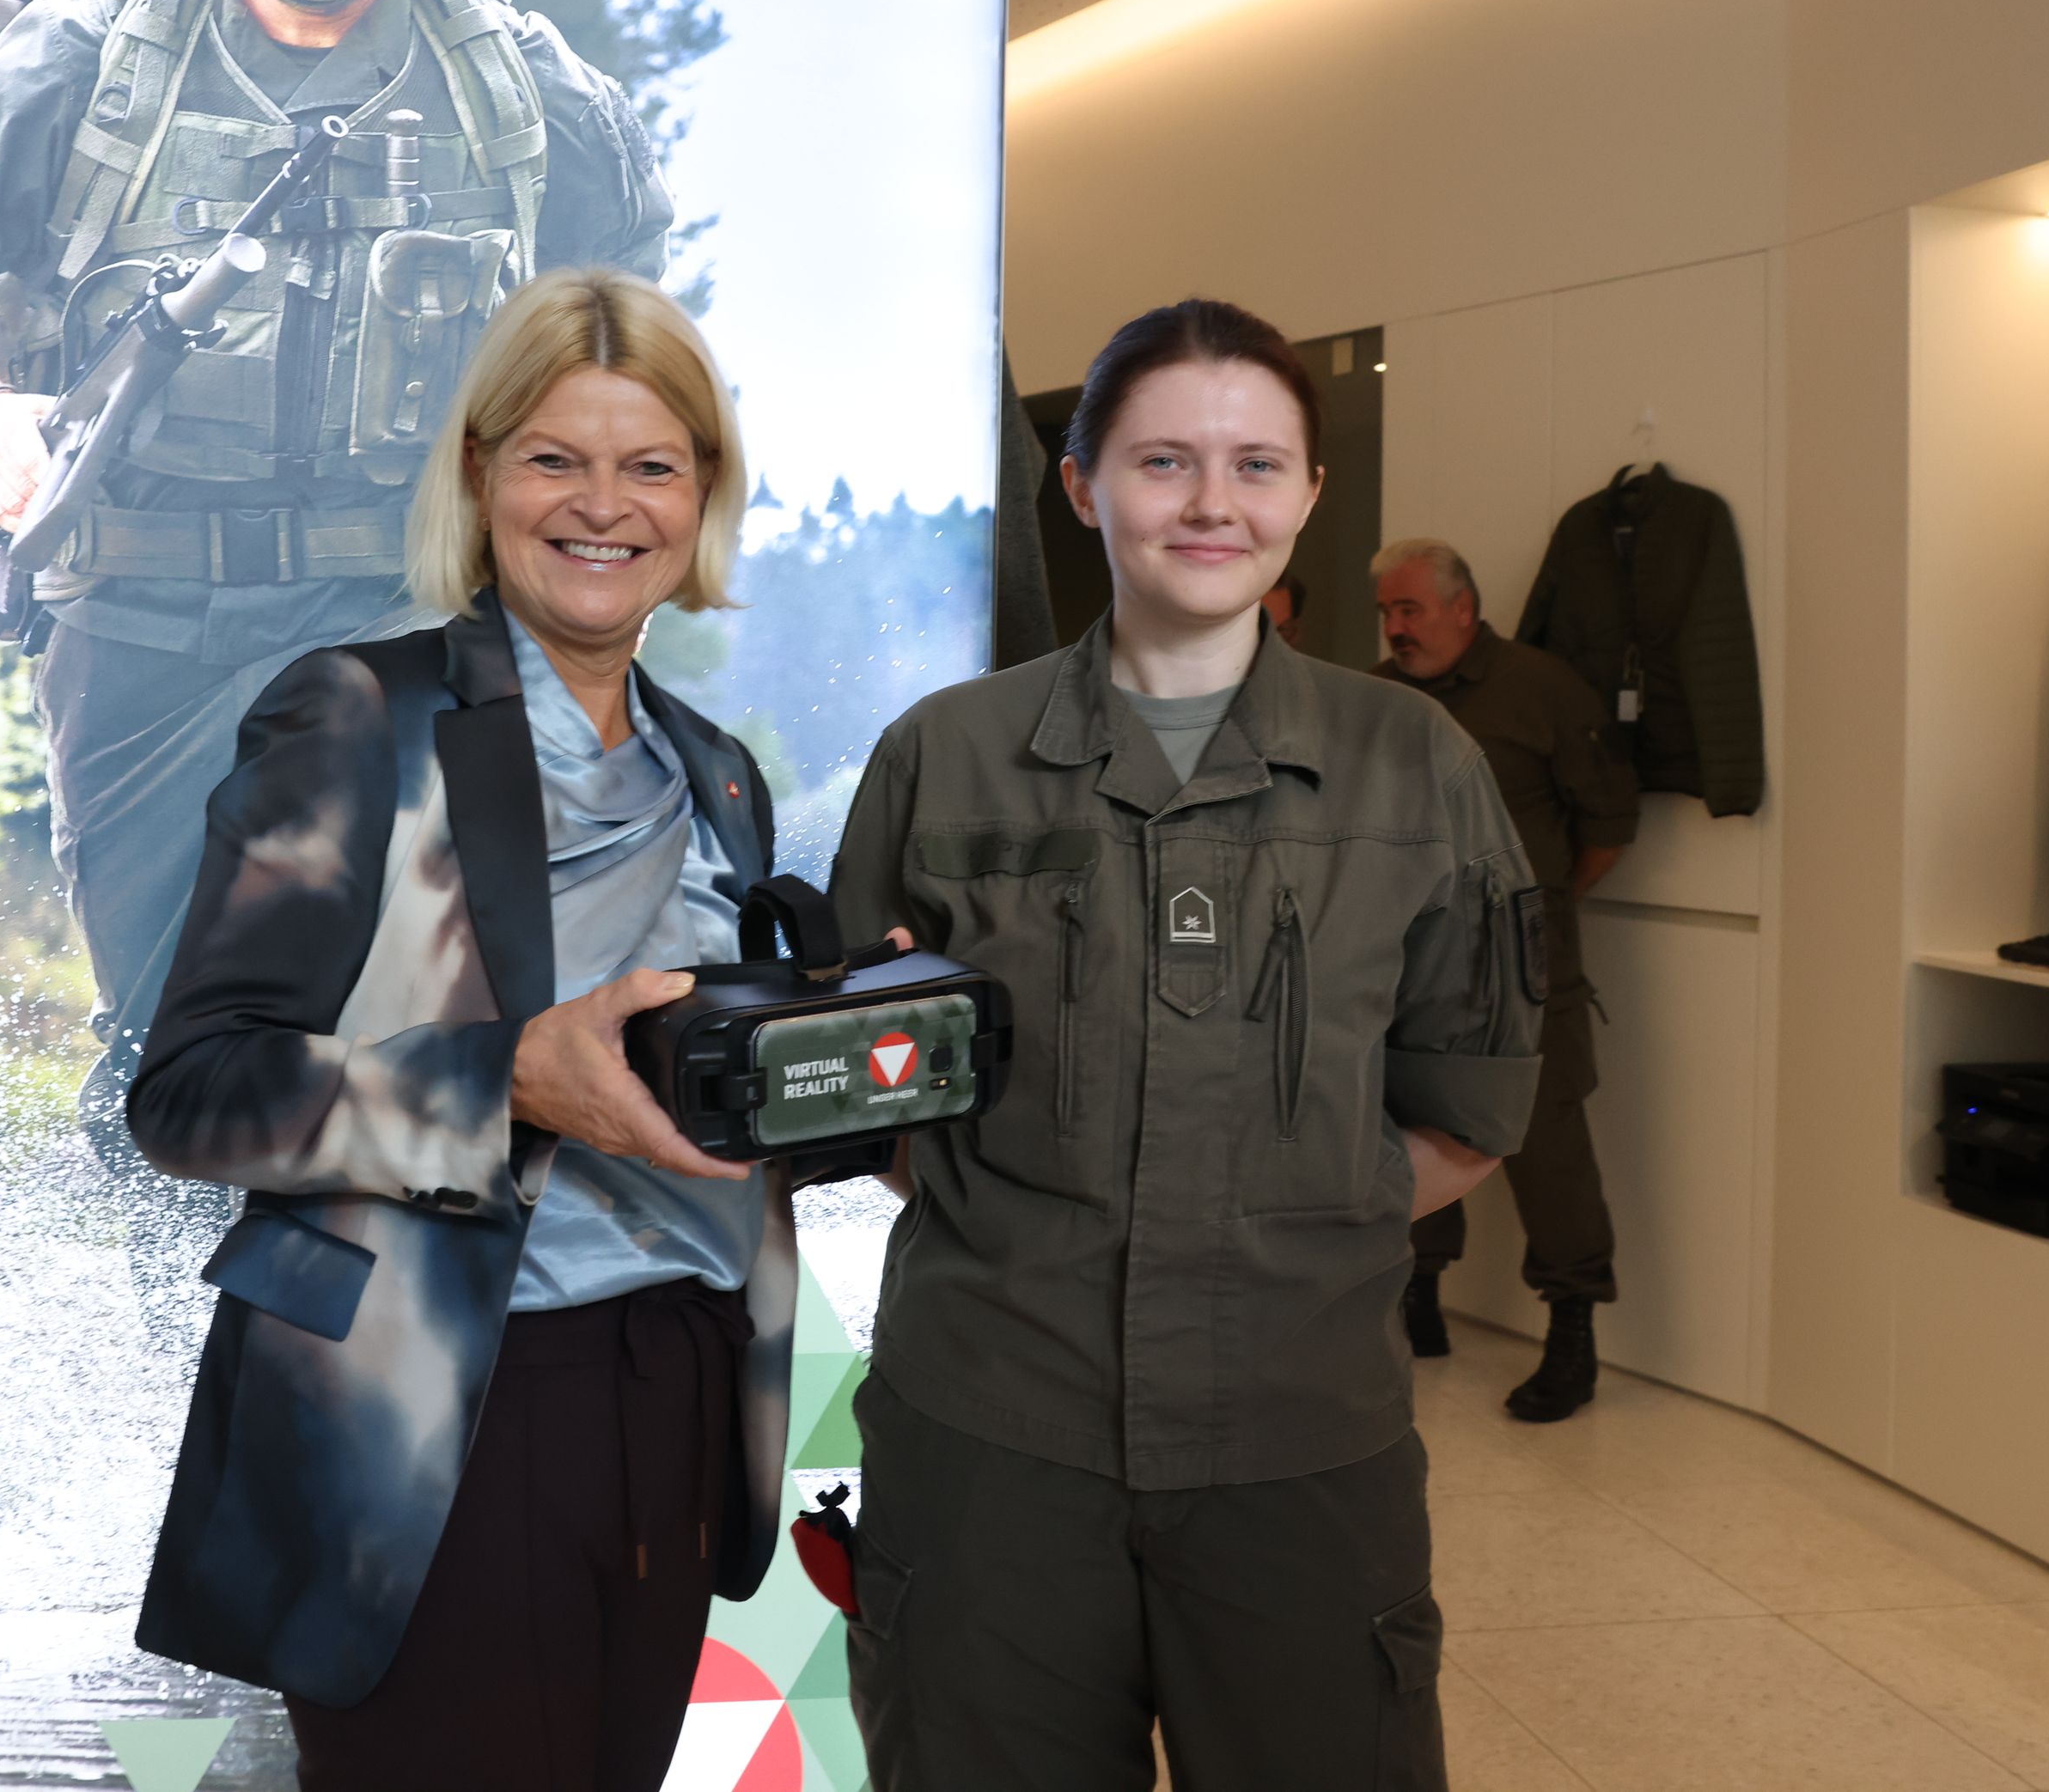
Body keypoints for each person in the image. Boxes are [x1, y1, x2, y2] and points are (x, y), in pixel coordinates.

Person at [0, 0, 674, 1132]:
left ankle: (376, 1324)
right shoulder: (92, 65)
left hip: (400, 610)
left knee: (401, 1013)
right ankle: (167, 1336)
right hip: (138, 617)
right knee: (167, 1050)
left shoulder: (518, 90)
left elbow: (628, 307)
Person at [826, 298, 1546, 1792]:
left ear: (1310, 497)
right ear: (1083, 487)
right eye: (1164, 461)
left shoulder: (1419, 766)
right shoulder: (943, 755)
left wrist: (1263, 1229)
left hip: (1301, 1436)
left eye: (1258, 464)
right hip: (991, 1437)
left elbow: (1469, 1109)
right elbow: (871, 1091)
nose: (1214, 503)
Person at [123, 270, 794, 1792]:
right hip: (441, 1416)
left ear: (702, 495)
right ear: (483, 474)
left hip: (676, 1390)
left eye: (652, 463)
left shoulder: (723, 773)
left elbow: (697, 1091)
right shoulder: (359, 714)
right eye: (556, 456)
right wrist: (510, 1084)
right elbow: (191, 1090)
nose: (602, 504)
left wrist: (844, 1062)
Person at [1371, 540, 1637, 1421]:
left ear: (1462, 607)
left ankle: (1572, 1331)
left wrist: (1535, 908)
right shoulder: (1376, 699)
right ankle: (1419, 1299)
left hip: (1528, 969)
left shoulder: (1541, 689)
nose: (1395, 628)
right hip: (1408, 961)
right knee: (1409, 1121)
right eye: (1385, 612)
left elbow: (1606, 823)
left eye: (1408, 610)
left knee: (1547, 1147)